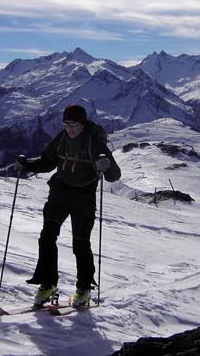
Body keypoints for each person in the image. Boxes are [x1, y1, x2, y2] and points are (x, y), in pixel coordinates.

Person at [15, 104, 121, 308]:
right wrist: (26, 164)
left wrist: (105, 166)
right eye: (67, 124)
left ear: (83, 124)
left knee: (80, 243)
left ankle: (84, 288)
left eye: (74, 124)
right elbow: (47, 162)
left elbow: (114, 175)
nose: (70, 128)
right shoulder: (61, 138)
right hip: (60, 193)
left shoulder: (94, 142)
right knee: (47, 237)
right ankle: (48, 284)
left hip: (83, 197)